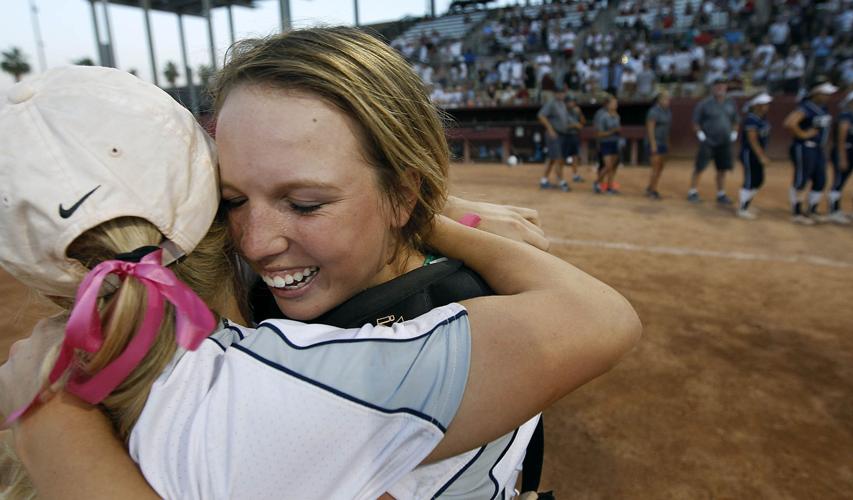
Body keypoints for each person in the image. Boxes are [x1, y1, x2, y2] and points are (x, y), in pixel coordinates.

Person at [3, 30, 639, 499]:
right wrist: (442, 218)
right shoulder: (434, 290)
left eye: (304, 203)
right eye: (229, 202)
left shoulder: (410, 337)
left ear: (402, 192)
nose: (254, 243)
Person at [783, 81, 838, 225]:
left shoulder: (823, 108)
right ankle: (797, 211)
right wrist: (803, 134)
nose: (828, 97)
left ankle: (812, 209)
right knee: (801, 179)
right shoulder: (806, 107)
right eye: (825, 94)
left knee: (820, 179)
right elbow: (790, 122)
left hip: (818, 148)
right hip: (805, 147)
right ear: (816, 93)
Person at [688, 78, 739, 205]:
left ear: (726, 88)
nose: (720, 89)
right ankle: (693, 191)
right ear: (713, 88)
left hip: (725, 141)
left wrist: (734, 132)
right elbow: (695, 122)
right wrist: (700, 133)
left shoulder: (730, 103)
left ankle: (721, 194)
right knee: (700, 166)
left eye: (723, 86)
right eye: (718, 86)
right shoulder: (704, 104)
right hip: (708, 141)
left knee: (722, 168)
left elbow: (736, 120)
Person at [736, 93, 773, 219]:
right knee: (750, 179)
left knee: (758, 180)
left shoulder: (762, 118)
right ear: (757, 105)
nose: (767, 106)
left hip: (757, 153)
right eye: (764, 104)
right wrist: (761, 156)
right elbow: (752, 140)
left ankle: (746, 203)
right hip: (750, 154)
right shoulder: (751, 119)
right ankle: (742, 208)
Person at [536, 90, 574, 191]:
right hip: (554, 134)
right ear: (555, 93)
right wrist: (550, 129)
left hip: (561, 134)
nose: (562, 94)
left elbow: (565, 120)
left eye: (563, 92)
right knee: (558, 158)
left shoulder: (561, 104)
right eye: (560, 92)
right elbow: (541, 116)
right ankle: (562, 182)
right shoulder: (551, 103)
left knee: (552, 159)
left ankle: (544, 180)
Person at [828, 90, 853, 224]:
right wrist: (842, 156)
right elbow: (841, 139)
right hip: (845, 151)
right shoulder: (846, 116)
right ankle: (833, 211)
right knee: (839, 181)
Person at [645, 90, 672, 200]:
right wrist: (653, 144)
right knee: (655, 167)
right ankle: (653, 190)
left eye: (668, 99)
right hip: (655, 142)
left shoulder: (668, 111)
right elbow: (650, 128)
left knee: (660, 167)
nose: (667, 101)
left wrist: (668, 143)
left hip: (663, 142)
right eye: (665, 99)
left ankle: (650, 187)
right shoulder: (653, 111)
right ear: (659, 100)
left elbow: (668, 129)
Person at [593, 94, 622, 194]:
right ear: (608, 105)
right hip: (605, 143)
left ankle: (609, 186)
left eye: (616, 103)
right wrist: (613, 131)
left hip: (614, 142)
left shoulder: (617, 116)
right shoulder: (603, 117)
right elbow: (599, 133)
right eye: (613, 103)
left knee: (612, 167)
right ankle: (597, 182)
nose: (615, 105)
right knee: (608, 166)